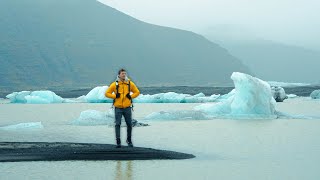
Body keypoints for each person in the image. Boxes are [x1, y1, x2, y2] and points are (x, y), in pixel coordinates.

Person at [105, 69, 140, 148]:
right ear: (119, 75)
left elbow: (137, 92)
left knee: (129, 124)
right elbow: (107, 93)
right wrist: (114, 96)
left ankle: (129, 140)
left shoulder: (130, 83)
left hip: (127, 107)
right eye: (122, 74)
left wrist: (130, 96)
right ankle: (118, 141)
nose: (124, 75)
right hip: (118, 108)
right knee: (117, 124)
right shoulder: (115, 84)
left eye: (125, 73)